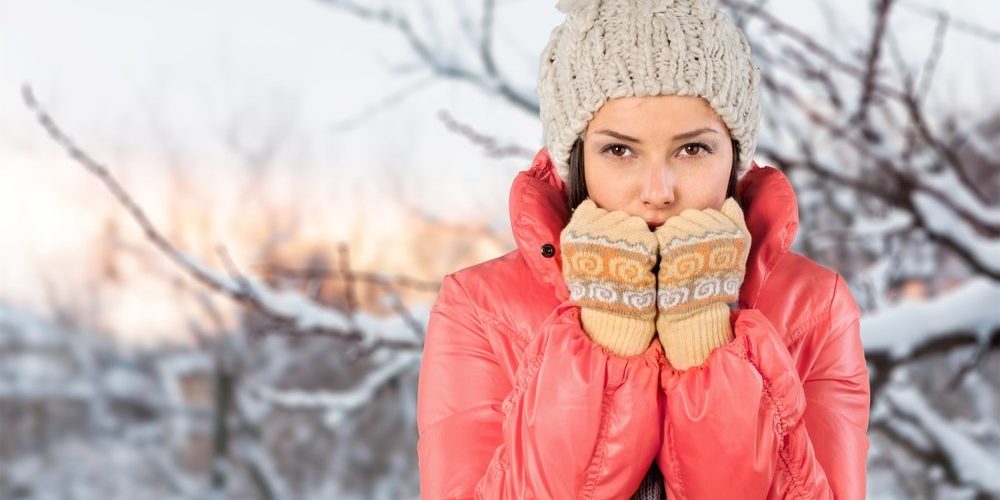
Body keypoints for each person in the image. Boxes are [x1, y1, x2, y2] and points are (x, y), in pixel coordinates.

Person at [416, 0, 871, 498]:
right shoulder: (478, 309)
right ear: (578, 158)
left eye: (692, 148)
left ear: (735, 156)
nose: (658, 190)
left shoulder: (815, 307)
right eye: (619, 150)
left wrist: (706, 340)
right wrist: (607, 340)